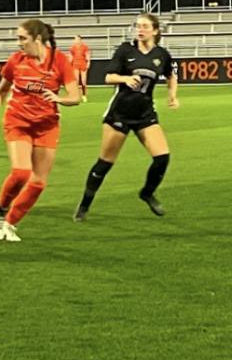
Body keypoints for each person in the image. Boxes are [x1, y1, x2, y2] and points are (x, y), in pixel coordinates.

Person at [0, 18, 81, 242]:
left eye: (22, 38)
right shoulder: (16, 61)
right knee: (21, 172)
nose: (19, 43)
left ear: (38, 39)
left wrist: (58, 99)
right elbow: (2, 92)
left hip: (47, 125)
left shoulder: (60, 61)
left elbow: (76, 96)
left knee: (39, 182)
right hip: (18, 121)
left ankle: (11, 223)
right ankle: (1, 211)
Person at [75, 12, 179, 221]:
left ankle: (147, 193)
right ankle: (84, 206)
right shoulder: (125, 50)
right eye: (137, 26)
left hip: (145, 114)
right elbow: (108, 77)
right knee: (105, 162)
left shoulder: (162, 54)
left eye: (144, 26)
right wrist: (125, 78)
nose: (140, 29)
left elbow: (171, 74)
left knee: (162, 158)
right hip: (120, 112)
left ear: (155, 31)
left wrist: (172, 96)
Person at [69, 34, 92, 103]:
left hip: (83, 65)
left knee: (83, 81)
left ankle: (84, 95)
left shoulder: (85, 47)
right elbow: (71, 56)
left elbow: (87, 55)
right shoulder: (73, 47)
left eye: (76, 39)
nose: (75, 40)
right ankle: (76, 95)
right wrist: (69, 64)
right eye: (74, 39)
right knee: (76, 81)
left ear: (79, 39)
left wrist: (88, 62)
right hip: (75, 65)